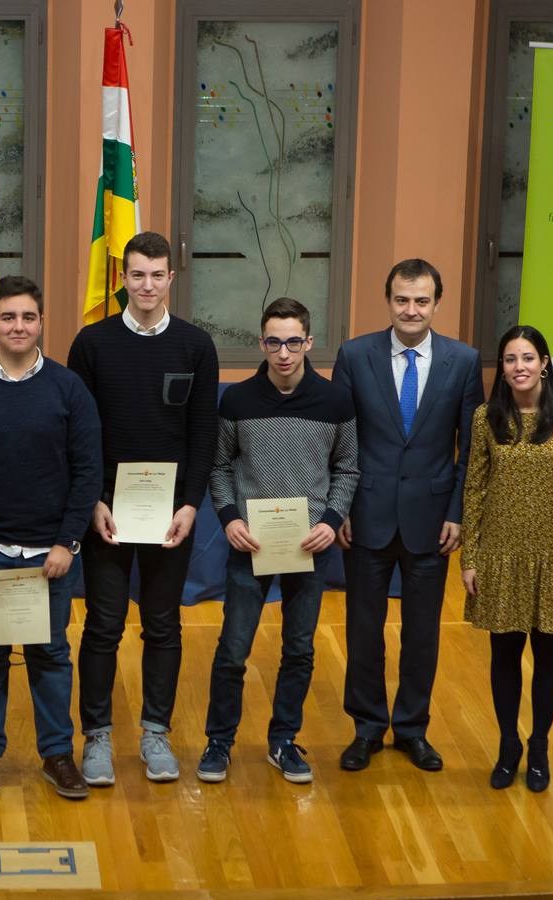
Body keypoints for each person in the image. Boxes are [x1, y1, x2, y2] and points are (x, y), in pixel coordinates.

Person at [67, 231, 219, 784]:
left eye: (157, 275)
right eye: (137, 275)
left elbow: (203, 435)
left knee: (163, 626)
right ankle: (97, 738)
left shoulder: (196, 346)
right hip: (106, 512)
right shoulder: (91, 344)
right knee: (103, 626)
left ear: (171, 279)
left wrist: (190, 505)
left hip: (169, 516)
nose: (147, 285)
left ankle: (156, 733)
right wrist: (92, 502)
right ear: (122, 279)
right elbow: (79, 436)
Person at [0, 276, 102, 801]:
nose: (18, 326)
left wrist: (66, 543)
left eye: (28, 317)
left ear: (42, 323)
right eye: (8, 317)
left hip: (49, 558)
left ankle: (57, 755)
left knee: (51, 656)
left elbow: (88, 472)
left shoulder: (68, 389)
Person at [332, 259, 483, 774]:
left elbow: (472, 451)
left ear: (437, 303)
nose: (411, 310)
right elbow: (341, 441)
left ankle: (413, 728)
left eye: (421, 301)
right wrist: (341, 508)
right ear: (388, 300)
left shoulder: (464, 362)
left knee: (422, 634)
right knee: (363, 630)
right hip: (366, 516)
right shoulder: (354, 355)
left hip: (432, 521)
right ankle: (367, 728)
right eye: (402, 300)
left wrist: (459, 513)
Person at [200, 298, 358, 785]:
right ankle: (219, 742)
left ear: (309, 342)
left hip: (311, 546)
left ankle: (283, 740)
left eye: (294, 342)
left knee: (299, 649)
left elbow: (347, 468)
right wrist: (228, 517)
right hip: (251, 544)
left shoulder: (335, 401)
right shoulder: (237, 401)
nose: (284, 352)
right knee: (232, 649)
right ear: (261, 343)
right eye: (274, 342)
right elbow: (221, 466)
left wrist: (332, 520)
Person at [461, 325, 553, 794]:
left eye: (528, 357)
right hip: (499, 554)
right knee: (504, 655)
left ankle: (539, 744)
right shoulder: (486, 418)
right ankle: (507, 745)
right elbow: (474, 489)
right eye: (510, 359)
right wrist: (470, 558)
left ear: (544, 362)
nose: (519, 367)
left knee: (549, 654)